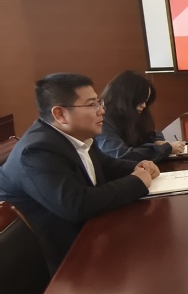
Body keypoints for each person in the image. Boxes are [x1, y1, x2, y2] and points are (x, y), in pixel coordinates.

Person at [0, 73, 157, 275]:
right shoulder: (37, 151)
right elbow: (76, 205)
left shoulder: (75, 136)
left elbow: (107, 165)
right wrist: (136, 182)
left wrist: (139, 166)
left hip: (86, 235)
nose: (102, 110)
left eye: (99, 102)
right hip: (55, 260)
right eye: (92, 105)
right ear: (60, 114)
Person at [96, 70, 185, 163]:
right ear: (126, 97)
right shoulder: (102, 121)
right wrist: (165, 148)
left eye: (146, 101)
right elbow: (121, 155)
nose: (144, 105)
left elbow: (151, 132)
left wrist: (157, 141)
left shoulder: (131, 113)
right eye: (141, 100)